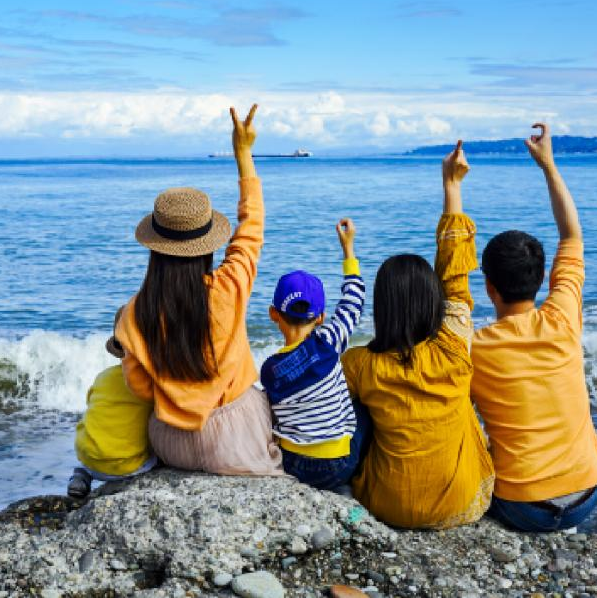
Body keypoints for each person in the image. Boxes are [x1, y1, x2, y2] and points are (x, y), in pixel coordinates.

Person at [113, 104, 283, 475]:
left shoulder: (135, 311)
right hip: (234, 438)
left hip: (173, 442)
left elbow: (140, 388)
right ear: (208, 245)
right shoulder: (229, 286)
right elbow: (252, 227)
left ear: (155, 247)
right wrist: (244, 154)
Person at [341, 141, 495, 528]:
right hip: (462, 504)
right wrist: (452, 186)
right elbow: (455, 279)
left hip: (386, 504)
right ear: (433, 303)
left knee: (356, 405)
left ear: (382, 306)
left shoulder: (360, 364)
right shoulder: (453, 347)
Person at [471, 123, 597, 532]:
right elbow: (571, 234)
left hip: (521, 506)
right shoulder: (562, 315)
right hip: (587, 497)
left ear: (489, 287)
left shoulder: (474, 346)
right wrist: (548, 165)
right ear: (544, 277)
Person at [260, 219, 367, 491]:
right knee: (363, 411)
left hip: (292, 463)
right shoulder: (329, 341)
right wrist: (348, 250)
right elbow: (353, 301)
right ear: (320, 318)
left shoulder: (269, 369)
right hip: (337, 466)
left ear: (273, 314)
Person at [67, 328, 158, 499]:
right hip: (131, 466)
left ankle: (81, 475)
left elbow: (90, 402)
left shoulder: (104, 376)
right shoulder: (150, 382)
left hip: (89, 458)